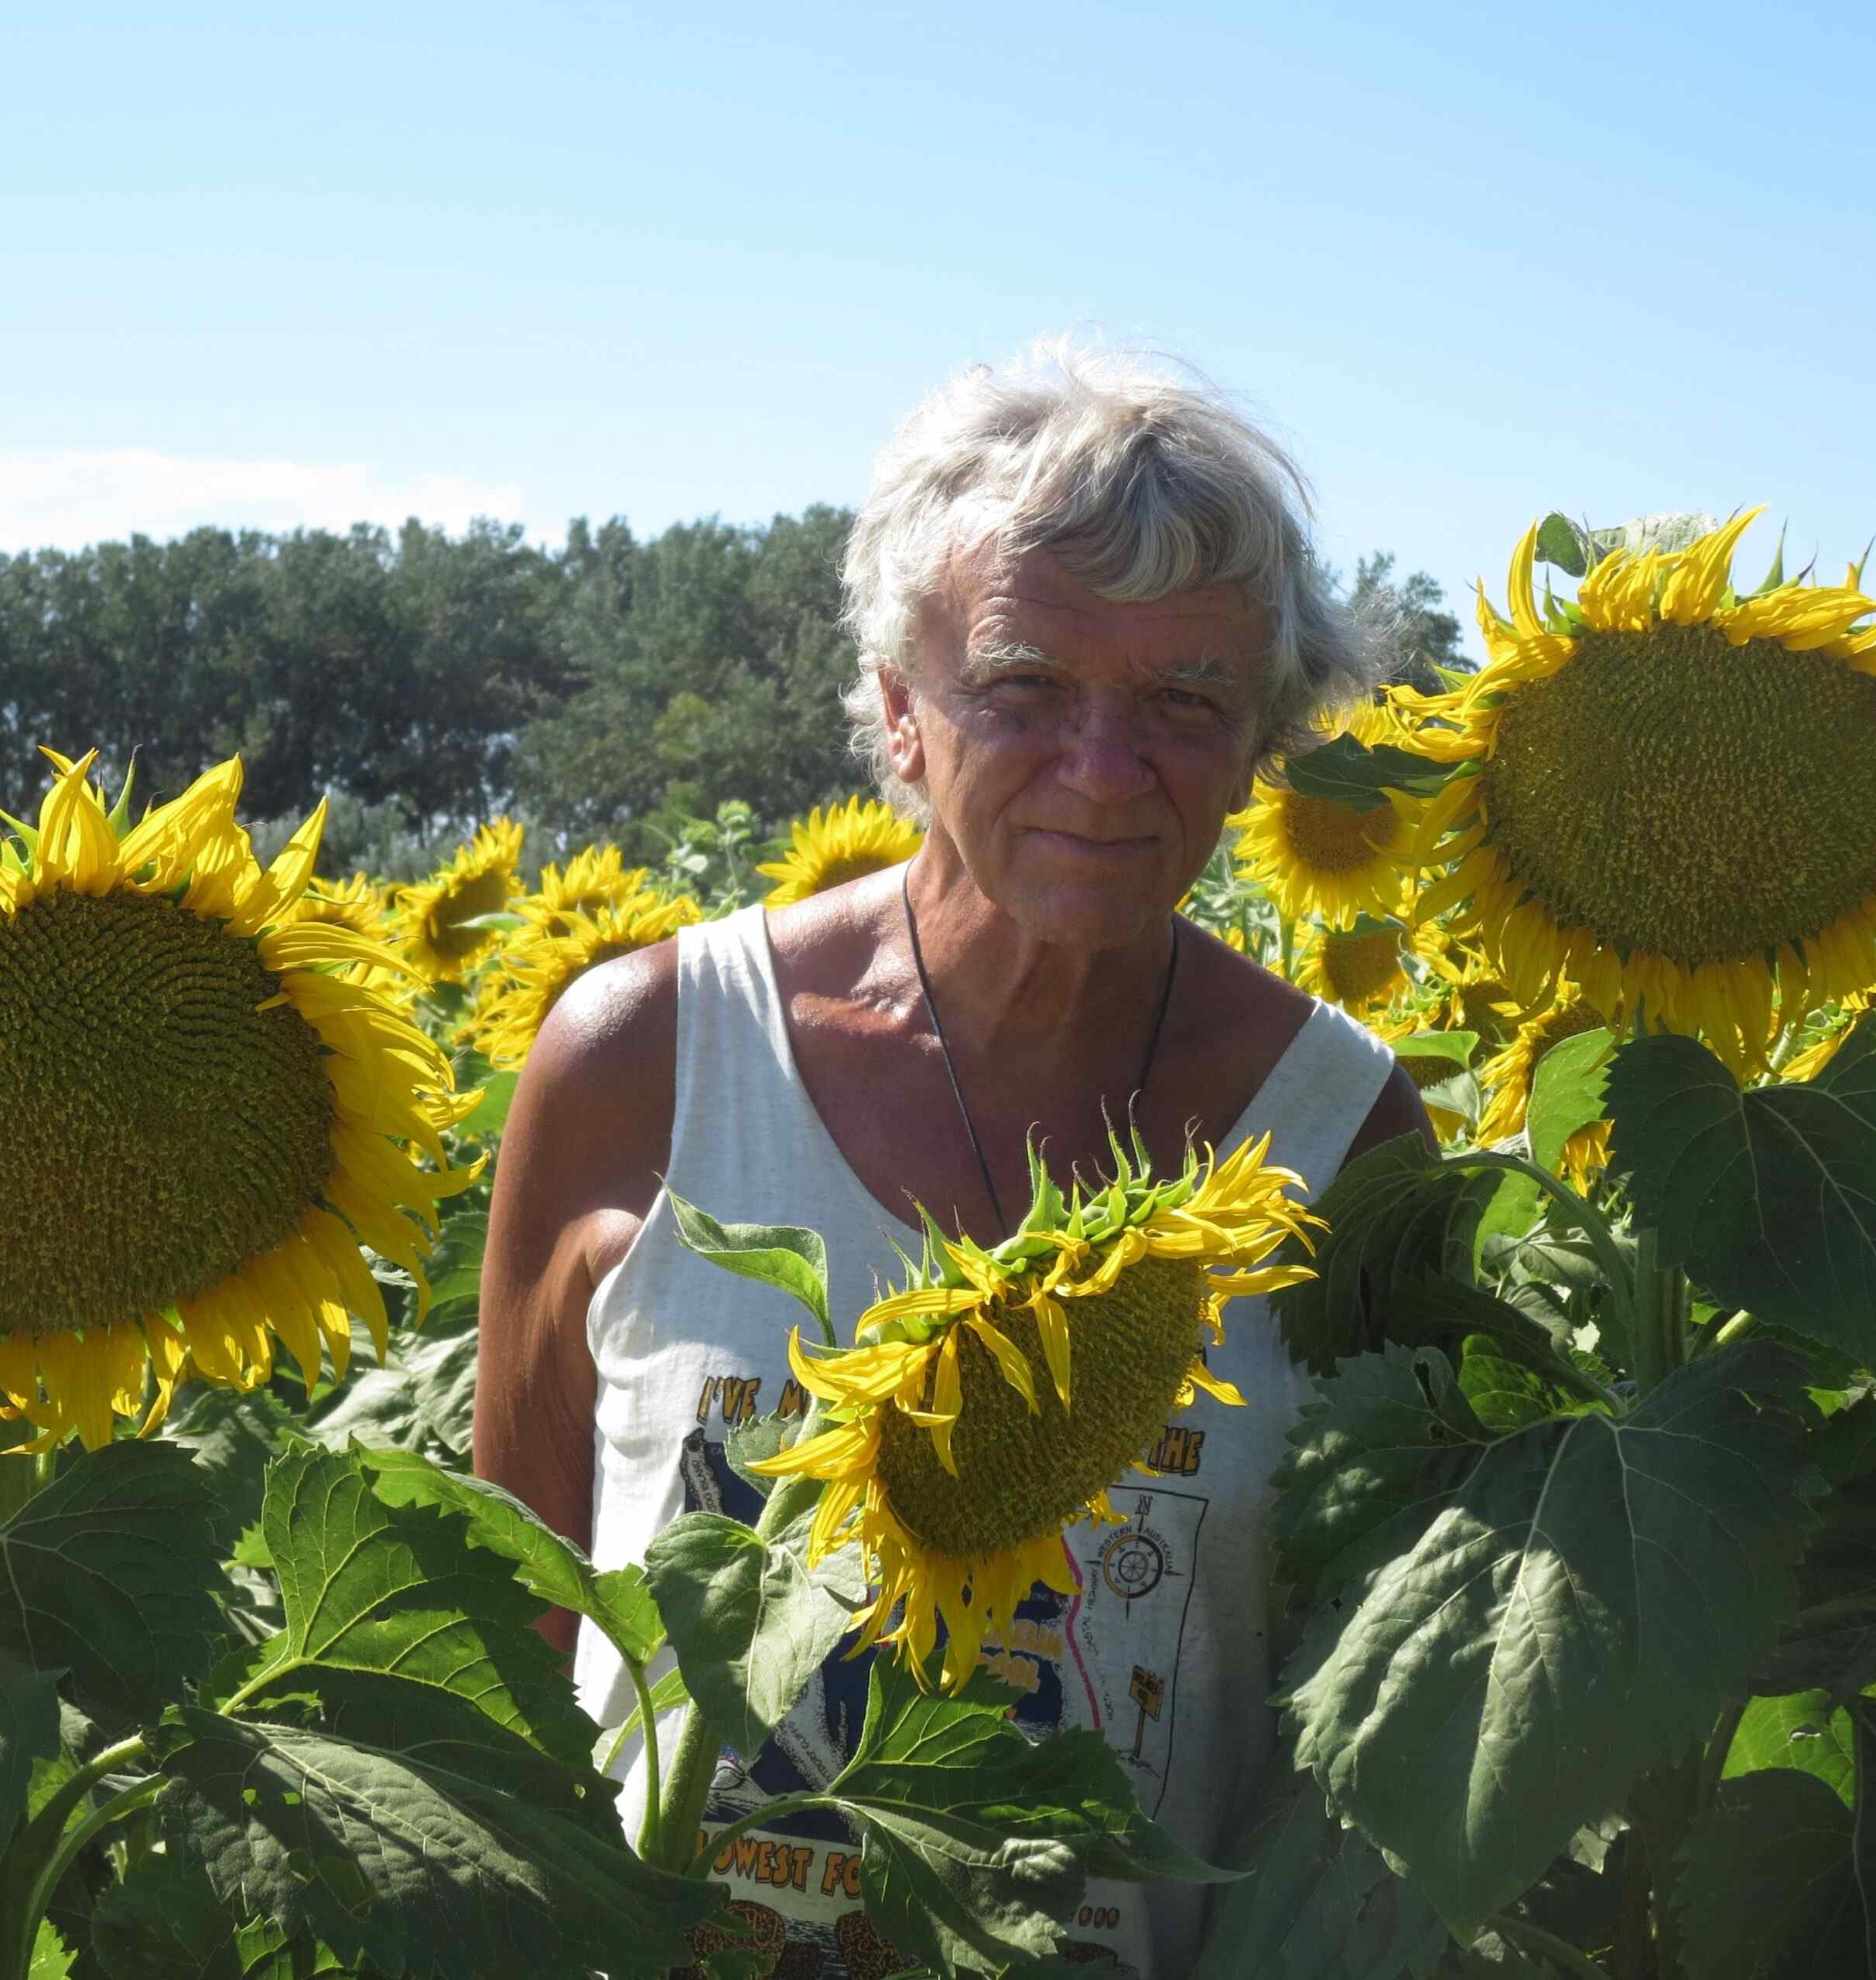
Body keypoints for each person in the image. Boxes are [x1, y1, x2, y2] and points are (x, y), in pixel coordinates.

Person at [474, 343, 1432, 1979]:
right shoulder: (649, 1061)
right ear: (901, 712)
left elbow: (1357, 1734)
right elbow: (501, 1629)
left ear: (1259, 741)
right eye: (1023, 687)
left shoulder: (1342, 1136)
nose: (1103, 769)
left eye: (1183, 702)